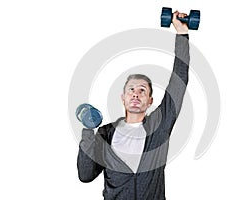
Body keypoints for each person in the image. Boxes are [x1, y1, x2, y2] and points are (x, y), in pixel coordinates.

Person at [77, 11, 190, 200]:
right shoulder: (105, 133)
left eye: (142, 90)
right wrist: (88, 132)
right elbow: (85, 175)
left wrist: (182, 34)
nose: (136, 93)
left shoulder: (159, 126)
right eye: (131, 89)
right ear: (123, 97)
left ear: (150, 101)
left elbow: (179, 82)